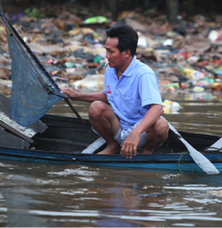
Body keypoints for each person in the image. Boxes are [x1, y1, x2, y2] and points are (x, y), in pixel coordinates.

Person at [61, 24, 169, 159]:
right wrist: (77, 96)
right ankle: (112, 145)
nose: (107, 56)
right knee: (96, 107)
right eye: (106, 51)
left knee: (161, 125)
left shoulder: (143, 74)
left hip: (142, 132)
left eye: (111, 52)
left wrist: (135, 133)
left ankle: (147, 151)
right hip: (118, 127)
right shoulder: (110, 70)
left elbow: (157, 108)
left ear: (126, 53)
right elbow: (108, 97)